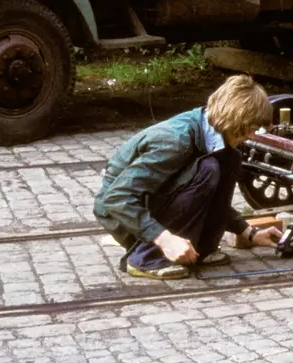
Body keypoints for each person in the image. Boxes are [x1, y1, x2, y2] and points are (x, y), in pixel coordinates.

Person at [94, 74, 283, 280]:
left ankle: (202, 249)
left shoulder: (210, 131)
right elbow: (116, 198)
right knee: (209, 168)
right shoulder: (176, 141)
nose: (251, 136)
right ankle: (147, 258)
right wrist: (165, 239)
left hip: (152, 203)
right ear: (236, 120)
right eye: (251, 129)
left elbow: (200, 193)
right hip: (122, 217)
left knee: (229, 160)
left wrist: (249, 232)